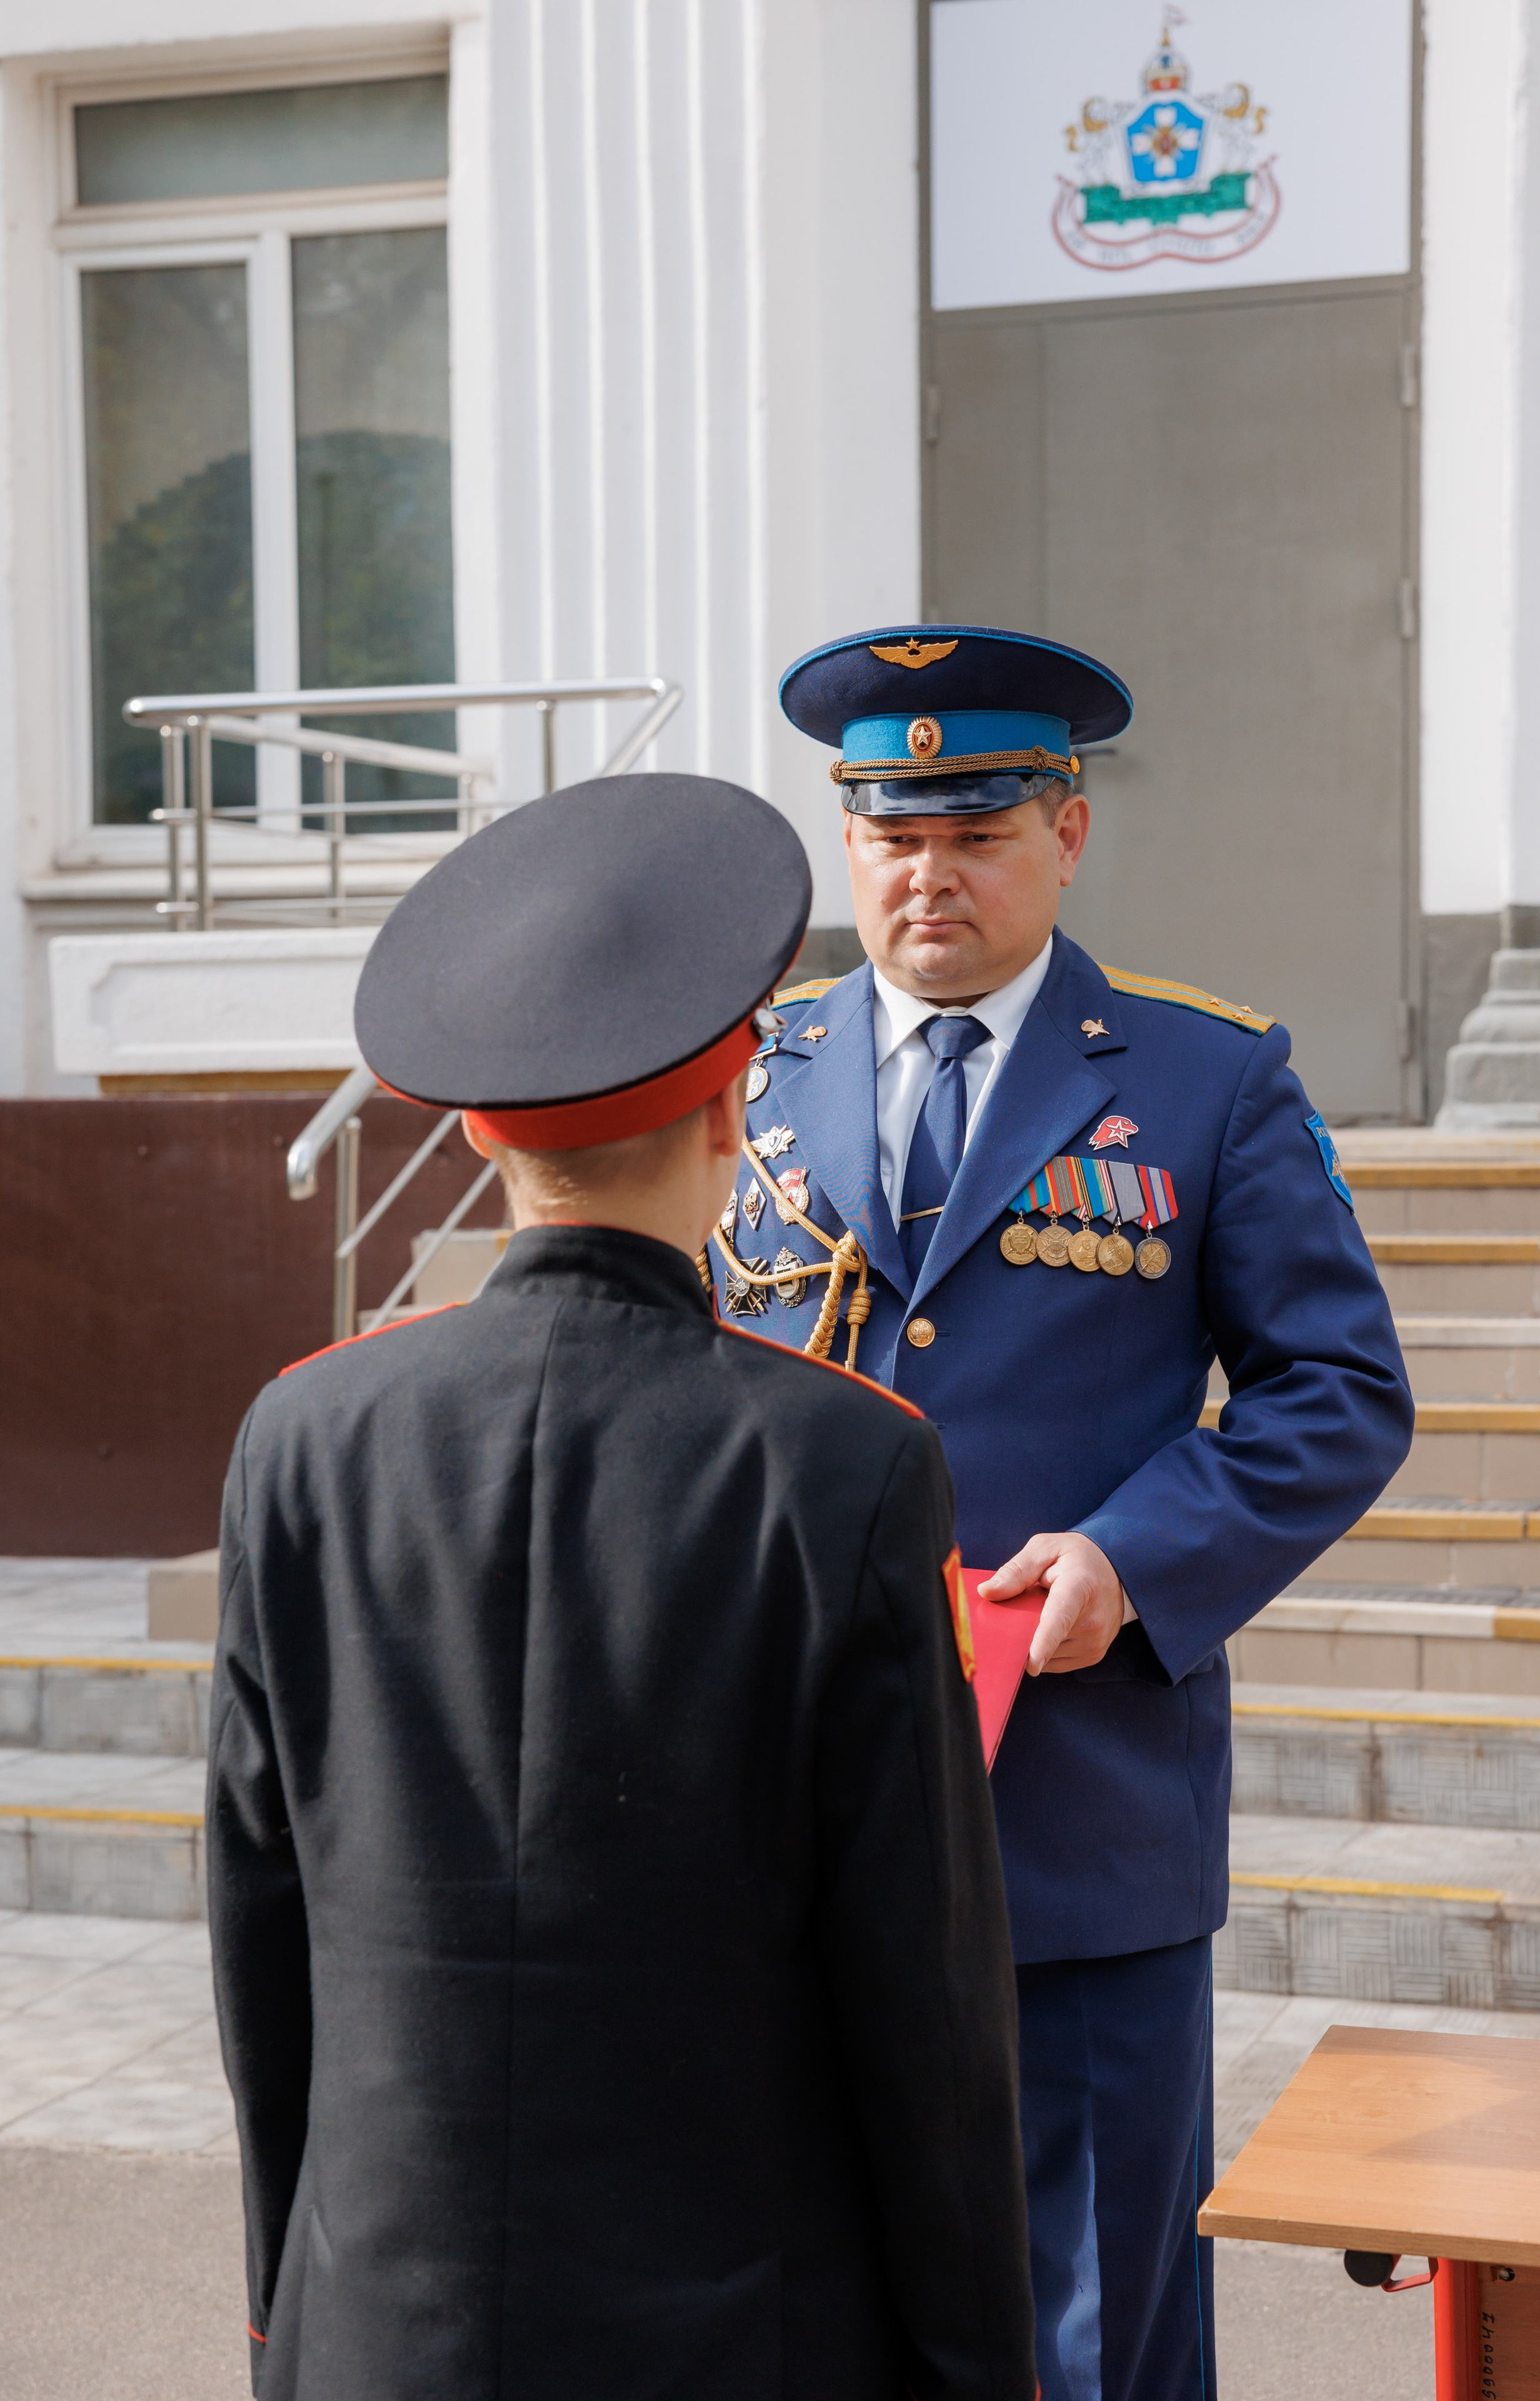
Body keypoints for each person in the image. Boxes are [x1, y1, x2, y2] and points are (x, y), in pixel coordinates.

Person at [206, 771, 1038, 2401]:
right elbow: (926, 2011)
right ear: (740, 1108)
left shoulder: (300, 1435)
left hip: (381, 2324)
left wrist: (286, 2308)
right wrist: (973, 2364)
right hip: (743, 2337)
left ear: (477, 1126)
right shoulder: (847, 1462)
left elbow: (261, 1936)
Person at [710, 628, 1414, 2401]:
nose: (929, 873)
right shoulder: (750, 1081)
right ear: (848, 841)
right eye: (891, 832)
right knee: (815, 2301)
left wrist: (1130, 1555)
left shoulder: (1202, 1077)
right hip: (790, 1812)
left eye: (980, 829)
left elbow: (1340, 1391)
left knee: (1097, 2322)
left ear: (1071, 830)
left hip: (1084, 1820)